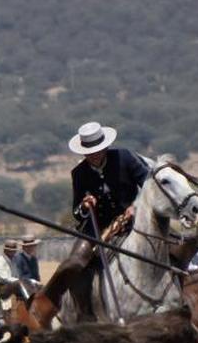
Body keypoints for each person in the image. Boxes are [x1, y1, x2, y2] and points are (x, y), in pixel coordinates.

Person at [62, 121, 150, 320]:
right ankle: (84, 311)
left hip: (135, 221)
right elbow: (76, 212)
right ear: (83, 152)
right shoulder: (79, 173)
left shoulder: (125, 157)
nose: (94, 155)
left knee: (171, 243)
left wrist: (135, 205)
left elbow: (149, 184)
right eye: (89, 152)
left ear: (105, 147)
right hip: (99, 228)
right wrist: (85, 206)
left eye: (98, 150)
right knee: (77, 263)